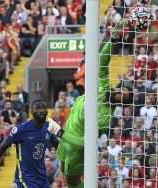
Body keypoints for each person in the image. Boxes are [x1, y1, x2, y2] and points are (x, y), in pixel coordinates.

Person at [48, 20, 133, 188]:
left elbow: (85, 143)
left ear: (121, 103)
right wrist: (113, 40)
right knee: (63, 172)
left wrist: (59, 132)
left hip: (74, 145)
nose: (119, 92)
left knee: (71, 182)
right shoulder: (104, 87)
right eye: (121, 90)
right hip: (67, 137)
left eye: (122, 96)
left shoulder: (105, 117)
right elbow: (102, 63)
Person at [0, 99, 59, 188]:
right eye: (37, 108)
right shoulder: (21, 129)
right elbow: (2, 148)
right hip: (26, 177)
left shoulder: (49, 128)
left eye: (44, 108)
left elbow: (59, 147)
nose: (41, 110)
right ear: (31, 111)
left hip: (42, 177)